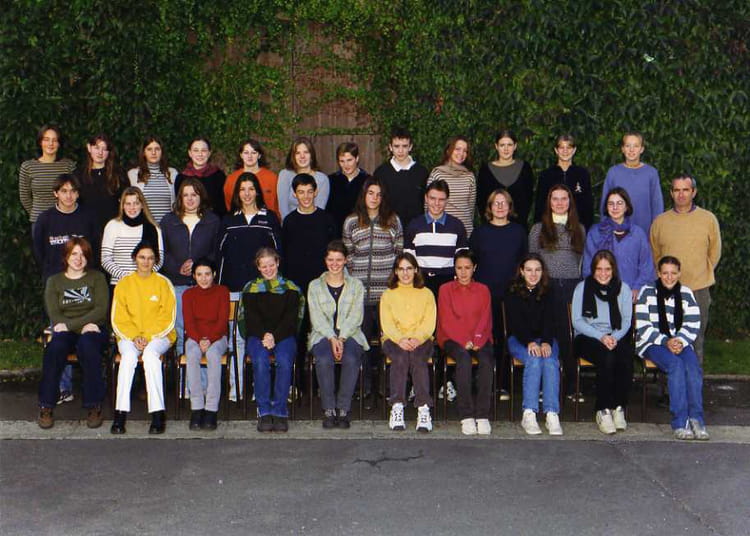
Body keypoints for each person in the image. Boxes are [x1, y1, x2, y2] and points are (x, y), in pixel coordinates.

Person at [218, 172, 282, 400]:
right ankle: (236, 390)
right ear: (237, 193)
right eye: (242, 189)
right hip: (234, 290)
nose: (247, 194)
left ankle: (259, 390)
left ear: (257, 192)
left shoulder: (269, 218)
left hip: (262, 292)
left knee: (260, 339)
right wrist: (221, 289)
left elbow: (278, 255)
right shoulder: (228, 221)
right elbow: (220, 256)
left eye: (251, 189)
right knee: (237, 340)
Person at [342, 177, 403, 404]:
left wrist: (392, 283)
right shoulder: (351, 222)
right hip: (360, 295)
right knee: (363, 342)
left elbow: (399, 253)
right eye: (370, 193)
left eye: (378, 194)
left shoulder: (393, 220)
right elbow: (347, 255)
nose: (374, 198)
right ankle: (364, 387)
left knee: (388, 341)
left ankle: (387, 387)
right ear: (364, 195)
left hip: (386, 295)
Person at [37, 238, 109, 430]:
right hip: (69, 329)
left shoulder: (97, 278)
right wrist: (76, 326)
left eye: (83, 254)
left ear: (88, 258)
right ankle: (46, 405)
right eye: (74, 254)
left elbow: (101, 310)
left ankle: (94, 405)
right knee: (55, 348)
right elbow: (54, 314)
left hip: (92, 328)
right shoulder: (54, 281)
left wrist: (73, 325)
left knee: (88, 346)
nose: (78, 258)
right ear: (66, 256)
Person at [650, 175, 721, 363]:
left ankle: (695, 379)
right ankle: (671, 380)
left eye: (686, 190)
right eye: (677, 190)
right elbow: (655, 254)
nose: (681, 194)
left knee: (696, 340)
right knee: (668, 339)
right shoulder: (660, 221)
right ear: (671, 193)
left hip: (698, 289)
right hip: (668, 290)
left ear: (694, 192)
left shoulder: (708, 219)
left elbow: (715, 252)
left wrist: (702, 272)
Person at [635, 256, 708, 440]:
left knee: (693, 366)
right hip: (652, 342)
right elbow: (643, 326)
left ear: (679, 273)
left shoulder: (686, 293)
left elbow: (693, 323)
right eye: (665, 273)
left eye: (673, 273)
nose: (669, 277)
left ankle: (696, 419)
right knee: (675, 365)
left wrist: (679, 340)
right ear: (658, 273)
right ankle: (680, 422)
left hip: (680, 342)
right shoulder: (647, 292)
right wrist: (666, 341)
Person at [111, 241, 176, 435]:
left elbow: (168, 317)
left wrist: (147, 337)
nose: (146, 262)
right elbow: (118, 318)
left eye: (150, 258)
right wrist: (134, 337)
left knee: (150, 356)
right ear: (135, 259)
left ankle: (158, 414)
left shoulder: (164, 283)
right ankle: (120, 414)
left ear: (155, 261)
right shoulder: (124, 283)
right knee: (128, 358)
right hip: (129, 336)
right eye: (142, 257)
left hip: (159, 335)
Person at [529, 184, 586, 401]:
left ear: (570, 202)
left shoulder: (579, 229)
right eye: (555, 199)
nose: (560, 203)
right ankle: (544, 386)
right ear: (549, 202)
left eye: (564, 198)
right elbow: (532, 261)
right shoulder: (538, 229)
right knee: (546, 334)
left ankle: (571, 385)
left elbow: (581, 261)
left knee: (568, 336)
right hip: (546, 287)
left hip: (572, 288)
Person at [470, 189, 527, 401]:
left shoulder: (518, 232)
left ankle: (503, 384)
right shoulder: (480, 233)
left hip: (511, 295)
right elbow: (471, 263)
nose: (500, 207)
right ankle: (482, 383)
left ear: (510, 207)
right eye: (496, 203)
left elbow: (524, 263)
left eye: (504, 203)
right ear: (489, 207)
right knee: (484, 338)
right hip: (484, 296)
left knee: (506, 339)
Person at [238, 248, 302, 433]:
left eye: (271, 265)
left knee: (284, 360)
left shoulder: (291, 288)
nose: (268, 269)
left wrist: (275, 336)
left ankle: (280, 411)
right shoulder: (250, 289)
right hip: (258, 335)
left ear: (278, 263)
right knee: (260, 360)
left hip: (283, 335)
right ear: (258, 267)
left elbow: (291, 320)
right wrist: (265, 336)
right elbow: (251, 319)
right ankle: (264, 411)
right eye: (264, 266)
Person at [307, 241, 368, 428]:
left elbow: (356, 316)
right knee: (324, 359)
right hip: (322, 334)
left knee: (351, 358)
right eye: (331, 260)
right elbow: (316, 318)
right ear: (325, 260)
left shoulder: (356, 285)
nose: (334, 264)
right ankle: (329, 409)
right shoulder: (314, 286)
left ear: (346, 260)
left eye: (339, 260)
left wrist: (341, 337)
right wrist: (332, 337)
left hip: (351, 334)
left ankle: (343, 408)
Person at [572, 250, 633, 435]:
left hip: (615, 335)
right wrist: (601, 337)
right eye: (599, 269)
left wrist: (614, 337)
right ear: (593, 269)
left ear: (613, 270)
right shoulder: (582, 288)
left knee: (625, 356)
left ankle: (619, 407)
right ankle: (603, 409)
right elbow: (577, 321)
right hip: (588, 336)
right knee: (606, 356)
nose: (603, 273)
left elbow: (626, 321)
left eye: (607, 269)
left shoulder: (624, 289)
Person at [504, 254, 563, 436]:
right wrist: (529, 342)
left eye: (537, 270)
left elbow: (551, 320)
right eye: (529, 270)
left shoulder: (549, 291)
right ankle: (529, 413)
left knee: (550, 361)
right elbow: (515, 323)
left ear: (542, 272)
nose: (533, 274)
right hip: (519, 339)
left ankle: (551, 413)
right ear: (521, 271)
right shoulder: (512, 291)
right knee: (534, 360)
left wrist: (546, 341)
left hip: (544, 338)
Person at [161, 178, 221, 353]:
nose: (189, 199)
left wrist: (198, 266)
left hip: (204, 286)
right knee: (180, 330)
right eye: (185, 195)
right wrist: (177, 267)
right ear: (180, 198)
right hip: (177, 283)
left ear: (201, 197)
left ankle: (202, 371)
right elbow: (162, 251)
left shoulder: (212, 221)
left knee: (203, 331)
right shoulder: (168, 221)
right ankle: (182, 369)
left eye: (194, 195)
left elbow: (217, 251)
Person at [436, 250, 493, 435]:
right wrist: (463, 340)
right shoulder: (445, 289)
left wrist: (476, 339)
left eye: (467, 268)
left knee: (486, 360)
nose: (463, 272)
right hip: (452, 338)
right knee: (463, 359)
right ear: (454, 268)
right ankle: (466, 415)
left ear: (474, 268)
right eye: (459, 268)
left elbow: (485, 319)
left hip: (480, 337)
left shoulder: (483, 290)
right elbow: (446, 320)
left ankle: (482, 415)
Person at [380, 253, 437, 432]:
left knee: (419, 359)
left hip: (422, 339)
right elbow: (387, 324)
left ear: (416, 270)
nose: (405, 273)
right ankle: (397, 406)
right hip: (393, 339)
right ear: (396, 272)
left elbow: (429, 322)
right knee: (400, 357)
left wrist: (417, 338)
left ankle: (423, 408)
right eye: (401, 269)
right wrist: (400, 339)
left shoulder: (426, 294)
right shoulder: (388, 294)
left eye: (409, 269)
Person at [182, 258, 230, 431]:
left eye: (207, 274)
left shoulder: (222, 292)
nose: (203, 278)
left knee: (213, 355)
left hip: (217, 337)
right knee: (192, 354)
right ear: (194, 276)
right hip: (195, 337)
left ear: (214, 274)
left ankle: (211, 409)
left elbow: (222, 321)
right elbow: (189, 323)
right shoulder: (188, 295)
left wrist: (209, 339)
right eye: (199, 274)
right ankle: (197, 408)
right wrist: (199, 339)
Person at [584, 187, 654, 302]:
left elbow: (647, 267)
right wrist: (598, 289)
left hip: (631, 296)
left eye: (620, 203)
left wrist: (637, 288)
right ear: (606, 207)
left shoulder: (638, 234)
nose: (615, 207)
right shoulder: (595, 233)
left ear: (626, 207)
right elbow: (588, 267)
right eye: (611, 204)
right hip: (602, 295)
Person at [404, 180, 468, 296]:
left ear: (447, 200)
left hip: (448, 282)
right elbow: (409, 259)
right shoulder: (414, 225)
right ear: (426, 198)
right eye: (432, 198)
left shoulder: (457, 226)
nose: (436, 203)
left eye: (441, 199)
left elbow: (462, 258)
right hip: (421, 282)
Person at [33, 174, 100, 281]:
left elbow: (96, 248)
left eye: (73, 191)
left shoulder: (89, 217)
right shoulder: (45, 219)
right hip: (54, 278)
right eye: (64, 191)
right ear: (56, 193)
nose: (69, 196)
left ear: (78, 194)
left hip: (84, 277)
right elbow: (38, 251)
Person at [600, 131, 663, 235]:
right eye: (628, 146)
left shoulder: (651, 173)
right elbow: (605, 204)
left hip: (644, 231)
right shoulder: (613, 173)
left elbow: (657, 205)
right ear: (622, 149)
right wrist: (605, 229)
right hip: (617, 232)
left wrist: (656, 231)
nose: (631, 150)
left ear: (642, 149)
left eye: (636, 146)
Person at [101, 187, 164, 287]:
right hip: (119, 284)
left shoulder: (153, 228)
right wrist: (127, 278)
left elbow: (159, 260)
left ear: (142, 205)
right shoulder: (112, 226)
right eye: (128, 204)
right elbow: (105, 259)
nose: (132, 207)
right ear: (122, 206)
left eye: (136, 203)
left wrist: (141, 276)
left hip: (145, 284)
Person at [19, 124, 76, 225]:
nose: (50, 144)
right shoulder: (28, 166)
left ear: (59, 143)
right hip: (39, 222)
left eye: (54, 140)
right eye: (46, 139)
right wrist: (38, 214)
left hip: (65, 221)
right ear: (40, 142)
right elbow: (24, 196)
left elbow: (75, 193)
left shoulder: (68, 165)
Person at [534, 134, 594, 229]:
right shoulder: (546, 175)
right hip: (551, 228)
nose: (565, 151)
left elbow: (588, 206)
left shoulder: (582, 174)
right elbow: (540, 205)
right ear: (556, 150)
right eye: (561, 147)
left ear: (574, 150)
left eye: (569, 147)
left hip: (577, 228)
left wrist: (587, 229)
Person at [372, 126, 428, 227]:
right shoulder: (381, 173)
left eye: (404, 146)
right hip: (388, 227)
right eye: (396, 146)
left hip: (416, 227)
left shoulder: (422, 172)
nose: (400, 151)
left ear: (410, 147)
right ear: (390, 147)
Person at [477, 129, 534, 227]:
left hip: (519, 227)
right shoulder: (485, 170)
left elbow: (529, 199)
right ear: (496, 146)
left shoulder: (525, 168)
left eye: (509, 145)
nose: (506, 149)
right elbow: (481, 201)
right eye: (502, 145)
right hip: (492, 228)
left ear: (515, 146)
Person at [75, 133, 129, 232]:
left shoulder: (118, 174)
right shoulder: (78, 175)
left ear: (109, 152)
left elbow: (126, 200)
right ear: (89, 148)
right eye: (97, 148)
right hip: (87, 229)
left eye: (104, 149)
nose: (100, 152)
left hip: (113, 228)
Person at [426, 136, 477, 235]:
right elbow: (428, 205)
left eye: (465, 151)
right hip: (442, 231)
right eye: (457, 149)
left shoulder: (469, 176)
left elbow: (471, 208)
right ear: (449, 150)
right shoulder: (437, 174)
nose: (461, 153)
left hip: (465, 231)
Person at [224, 138, 280, 219]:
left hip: (267, 221)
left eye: (254, 152)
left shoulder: (272, 178)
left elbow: (277, 204)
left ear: (259, 155)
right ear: (241, 155)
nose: (249, 156)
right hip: (240, 221)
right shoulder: (231, 179)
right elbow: (229, 204)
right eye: (246, 153)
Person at [127, 135, 178, 223]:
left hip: (168, 227)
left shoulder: (173, 173)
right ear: (144, 152)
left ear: (162, 152)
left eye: (157, 149)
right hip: (144, 226)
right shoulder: (133, 175)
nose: (153, 152)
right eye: (149, 149)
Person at [277, 137, 330, 218]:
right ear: (293, 156)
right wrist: (289, 224)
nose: (302, 156)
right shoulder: (285, 175)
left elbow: (319, 210)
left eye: (306, 152)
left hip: (314, 223)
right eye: (298, 153)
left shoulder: (322, 179)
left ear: (311, 155)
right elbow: (283, 208)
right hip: (289, 223)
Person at [175, 137, 227, 219]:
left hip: (214, 222)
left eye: (204, 150)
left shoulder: (218, 176)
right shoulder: (181, 178)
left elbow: (222, 205)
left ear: (209, 153)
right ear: (190, 153)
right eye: (196, 150)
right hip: (188, 222)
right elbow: (179, 205)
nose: (200, 154)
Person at [327, 141, 370, 236]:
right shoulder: (331, 180)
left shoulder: (367, 180)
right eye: (342, 161)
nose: (346, 165)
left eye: (349, 160)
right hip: (336, 233)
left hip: (361, 232)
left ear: (357, 158)